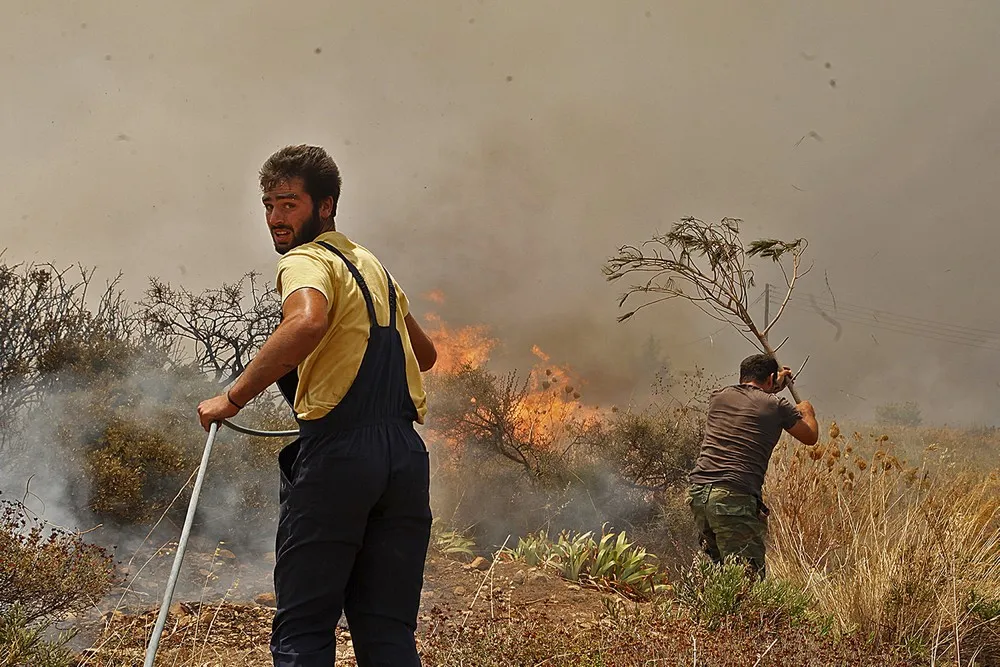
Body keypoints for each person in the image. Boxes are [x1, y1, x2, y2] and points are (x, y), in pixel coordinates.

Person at [197, 144, 438, 667]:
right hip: (404, 460)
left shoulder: (307, 261)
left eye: (289, 204)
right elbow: (425, 355)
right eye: (269, 205)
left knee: (304, 627)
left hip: (340, 455)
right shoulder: (372, 266)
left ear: (325, 206)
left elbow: (306, 323)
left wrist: (232, 398)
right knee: (387, 628)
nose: (275, 218)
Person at [685, 354, 818, 578]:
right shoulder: (777, 406)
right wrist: (807, 411)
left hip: (699, 494)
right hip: (733, 497)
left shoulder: (719, 396)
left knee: (720, 575)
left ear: (742, 376)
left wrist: (772, 385)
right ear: (770, 378)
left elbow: (752, 399)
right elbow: (810, 436)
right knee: (747, 578)